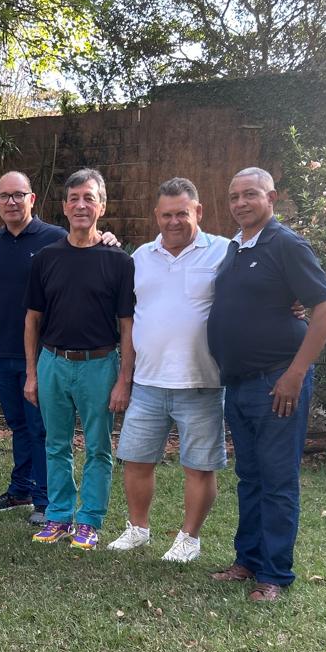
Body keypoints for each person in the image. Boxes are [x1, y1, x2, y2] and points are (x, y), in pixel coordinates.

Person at [206, 167, 326, 602]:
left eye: (250, 194)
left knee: (278, 479)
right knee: (250, 476)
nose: (240, 203)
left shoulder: (286, 244)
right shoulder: (237, 246)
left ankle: (274, 574)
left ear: (272, 198)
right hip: (238, 384)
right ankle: (247, 560)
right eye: (234, 197)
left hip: (276, 383)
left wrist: (295, 374)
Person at [0, 171, 121, 526]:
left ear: (33, 199)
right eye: (4, 196)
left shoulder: (55, 238)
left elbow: (87, 245)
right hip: (6, 351)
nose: (11, 201)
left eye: (19, 194)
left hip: (53, 355)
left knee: (46, 431)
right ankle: (22, 489)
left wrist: (107, 237)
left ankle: (46, 501)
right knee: (20, 426)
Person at [107, 178, 230, 562]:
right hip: (147, 382)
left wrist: (292, 303)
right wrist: (125, 378)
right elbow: (128, 318)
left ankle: (189, 539)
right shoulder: (141, 257)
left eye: (182, 213)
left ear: (198, 212)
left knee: (199, 467)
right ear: (156, 216)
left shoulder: (224, 251)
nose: (173, 222)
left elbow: (257, 286)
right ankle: (138, 529)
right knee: (136, 460)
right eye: (166, 215)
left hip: (201, 382)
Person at [23, 168, 134, 550]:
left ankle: (89, 521)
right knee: (56, 444)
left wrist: (124, 380)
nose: (81, 205)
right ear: (64, 206)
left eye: (89, 198)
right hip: (53, 363)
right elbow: (32, 320)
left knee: (98, 447)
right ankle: (58, 516)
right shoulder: (47, 258)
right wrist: (32, 374)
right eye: (75, 199)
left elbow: (127, 325)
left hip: (99, 366)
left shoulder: (119, 261)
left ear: (102, 206)